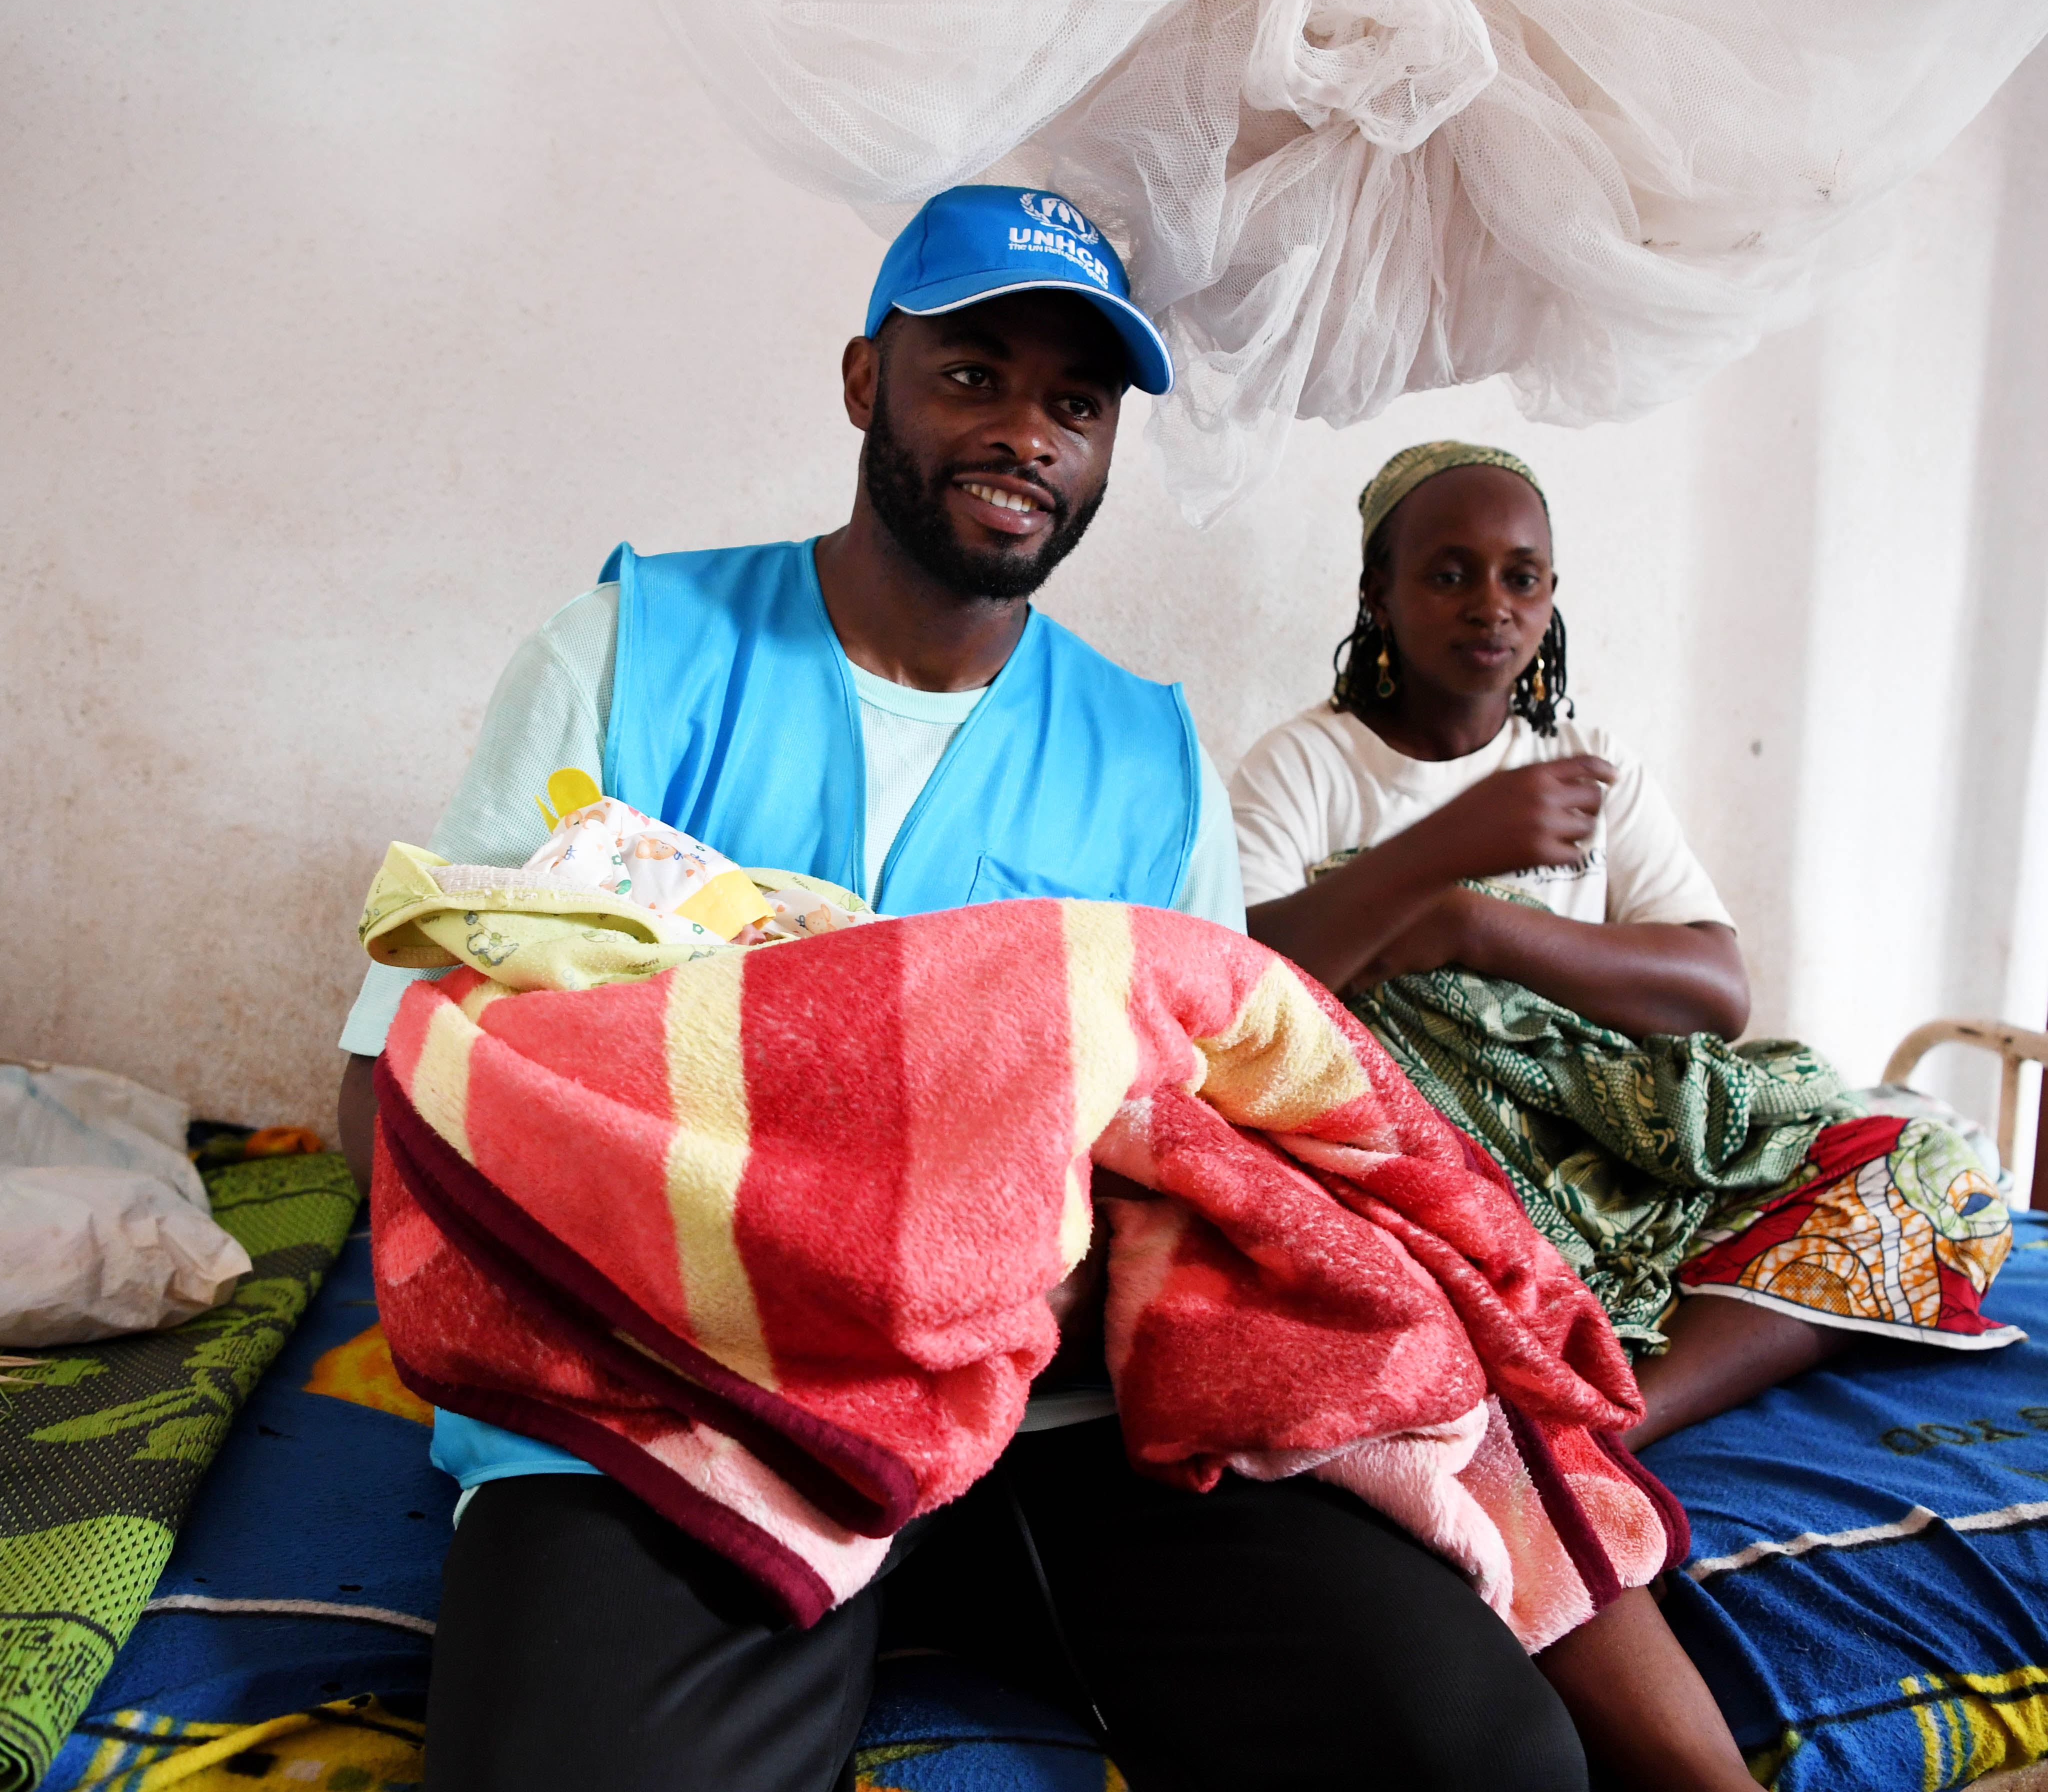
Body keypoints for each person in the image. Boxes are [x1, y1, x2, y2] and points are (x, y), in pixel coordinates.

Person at [334, 192, 1757, 1792]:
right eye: (974, 376)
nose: (1027, 433)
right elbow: (404, 1093)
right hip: (685, 1389)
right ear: (865, 381)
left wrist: (1033, 1287)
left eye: (1077, 406)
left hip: (1065, 1409)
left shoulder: (1149, 755)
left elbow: (1216, 1141)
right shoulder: (627, 654)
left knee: (1477, 1755)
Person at [1235, 441, 2016, 1452]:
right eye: (1450, 574)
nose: (1492, 605)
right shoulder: (1303, 767)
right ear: (1378, 594)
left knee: (1934, 1166)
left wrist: (1478, 924)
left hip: (1624, 1152)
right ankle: (1581, 1357)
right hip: (1448, 1182)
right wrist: (1446, 850)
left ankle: (1618, 1423)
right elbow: (1243, 996)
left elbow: (1717, 990)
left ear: (1551, 595)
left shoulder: (1587, 765)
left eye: (1522, 577)